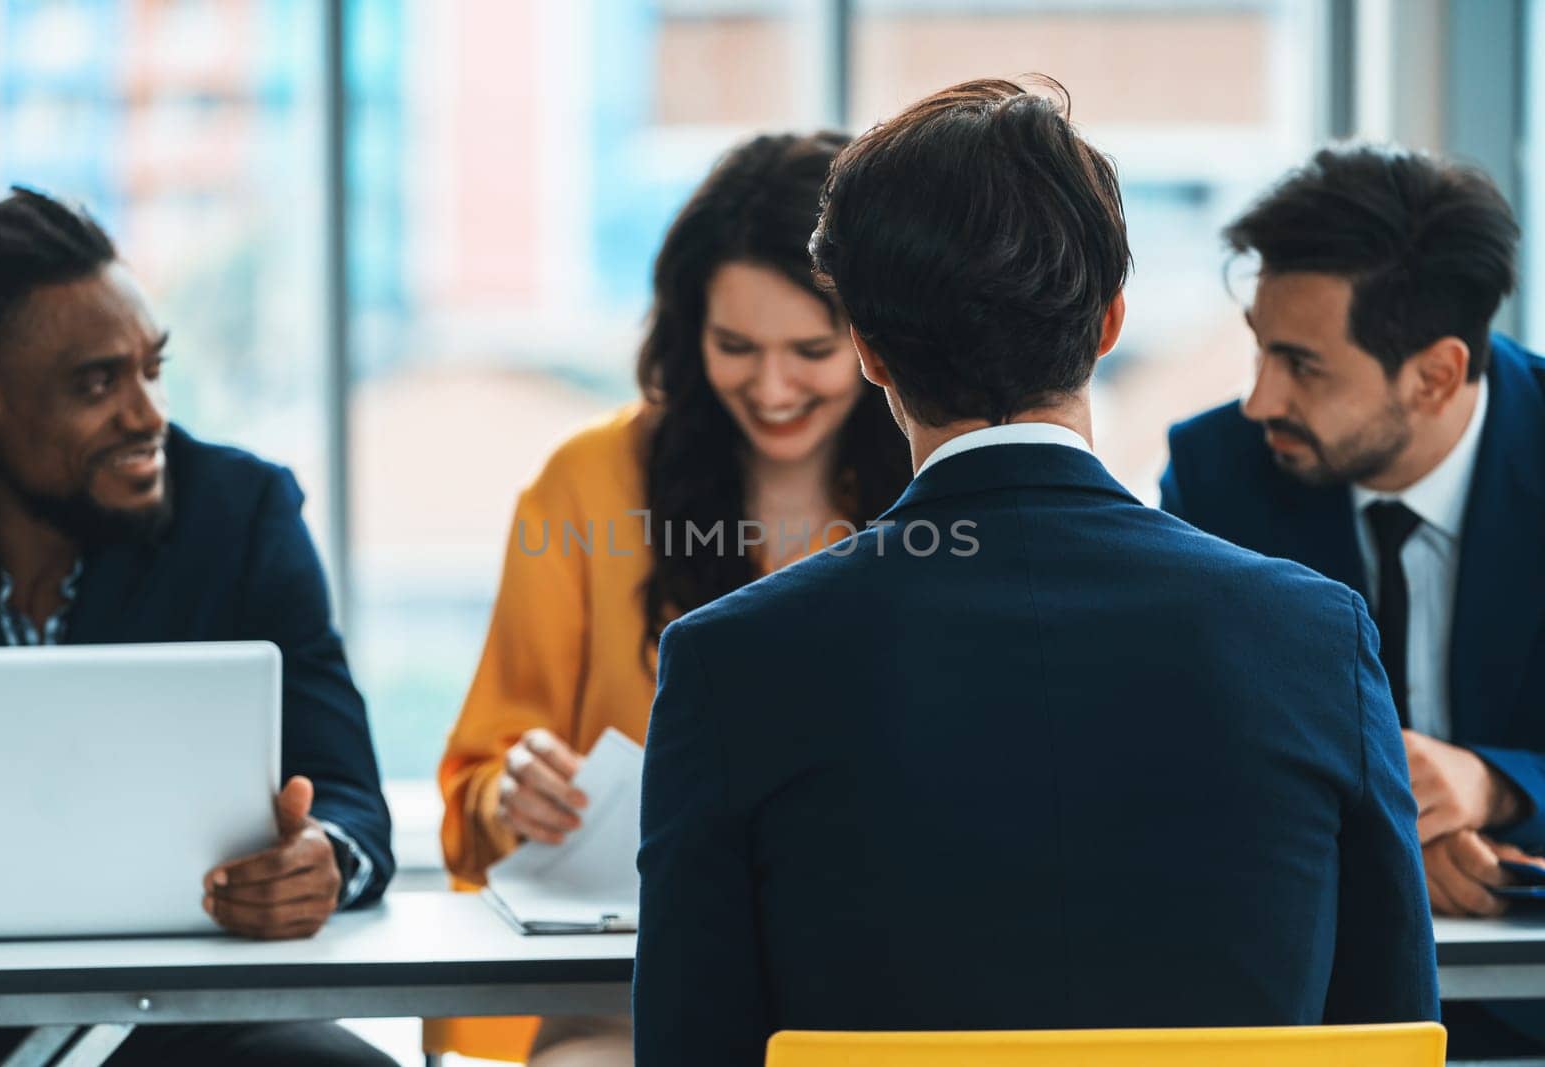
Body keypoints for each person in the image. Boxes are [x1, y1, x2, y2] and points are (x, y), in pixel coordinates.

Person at [632, 79, 1439, 1067]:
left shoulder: (730, 661)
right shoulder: (1315, 635)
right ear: (1107, 324)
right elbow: (1392, 1033)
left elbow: (687, 1048)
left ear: (870, 352)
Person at [436, 132, 911, 1066]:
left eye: (812, 350)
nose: (772, 389)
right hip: (629, 987)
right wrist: (512, 795)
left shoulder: (934, 481)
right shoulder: (586, 485)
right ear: (688, 334)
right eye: (735, 345)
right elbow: (471, 799)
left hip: (879, 978)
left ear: (879, 341)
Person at [0, 188, 396, 1067]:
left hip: (180, 1015)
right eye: (97, 384)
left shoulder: (240, 515)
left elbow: (351, 799)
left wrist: (322, 860)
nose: (147, 414)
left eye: (152, 368)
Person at [1160, 143, 1545, 1058]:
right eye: (1259, 348)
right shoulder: (1217, 475)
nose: (1258, 399)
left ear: (1437, 375)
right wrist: (1394, 845)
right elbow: (1183, 748)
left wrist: (1491, 783)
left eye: (1302, 365)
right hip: (1308, 1011)